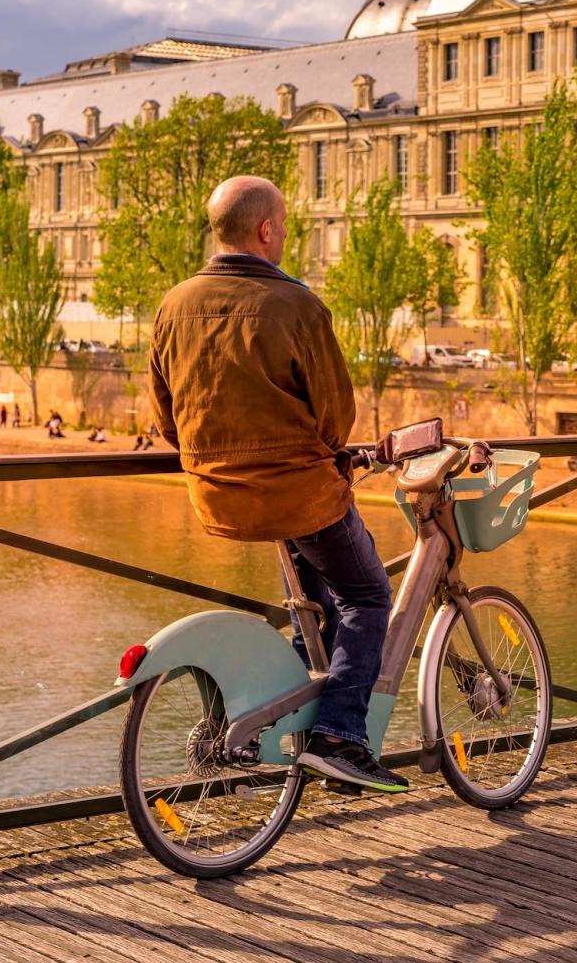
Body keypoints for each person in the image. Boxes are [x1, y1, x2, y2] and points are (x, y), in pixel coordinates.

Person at [150, 174, 399, 793]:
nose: (285, 236)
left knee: (318, 605)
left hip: (214, 496)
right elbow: (335, 421)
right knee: (367, 597)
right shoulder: (299, 306)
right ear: (266, 231)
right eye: (284, 227)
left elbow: (163, 419)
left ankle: (286, 717)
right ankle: (341, 736)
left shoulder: (173, 304)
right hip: (297, 495)